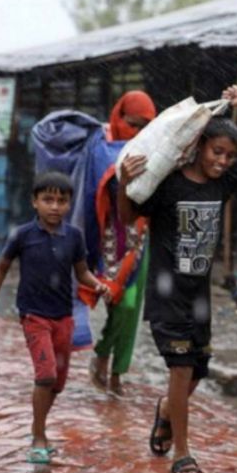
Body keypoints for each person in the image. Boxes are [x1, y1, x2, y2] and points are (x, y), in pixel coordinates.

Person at [117, 85, 237, 473]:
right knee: (181, 367)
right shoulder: (169, 184)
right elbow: (126, 217)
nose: (222, 161)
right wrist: (123, 184)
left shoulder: (223, 183)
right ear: (198, 145)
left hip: (199, 295)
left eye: (228, 155)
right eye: (215, 152)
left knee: (198, 369)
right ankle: (182, 456)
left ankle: (164, 410)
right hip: (167, 291)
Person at [0, 171, 110, 465]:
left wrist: (98, 284)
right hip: (34, 315)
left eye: (61, 200)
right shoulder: (22, 235)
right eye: (47, 199)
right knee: (46, 374)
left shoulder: (74, 237)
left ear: (68, 204)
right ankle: (39, 435)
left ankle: (38, 427)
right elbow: (1, 267)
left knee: (57, 383)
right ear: (34, 202)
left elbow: (81, 272)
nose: (54, 206)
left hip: (62, 316)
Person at [89, 90, 157, 395]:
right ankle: (103, 351)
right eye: (133, 124)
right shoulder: (101, 145)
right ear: (119, 117)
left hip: (139, 237)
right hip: (108, 234)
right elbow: (94, 184)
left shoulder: (154, 149)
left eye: (146, 127)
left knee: (130, 306)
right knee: (115, 299)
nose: (139, 134)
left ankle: (117, 371)